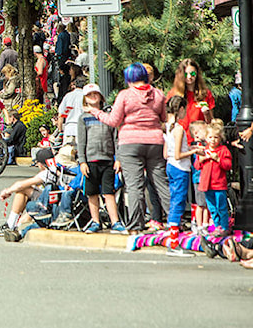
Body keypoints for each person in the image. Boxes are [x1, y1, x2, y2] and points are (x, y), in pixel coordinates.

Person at [85, 62, 169, 233]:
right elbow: (163, 117)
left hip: (130, 143)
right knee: (161, 183)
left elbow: (113, 121)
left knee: (135, 186)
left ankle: (135, 226)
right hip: (154, 141)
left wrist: (96, 113)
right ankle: (175, 221)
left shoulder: (125, 95)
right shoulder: (158, 94)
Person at [76, 84, 125, 235]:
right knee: (92, 194)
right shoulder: (83, 118)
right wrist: (82, 161)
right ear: (85, 99)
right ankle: (95, 221)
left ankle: (115, 221)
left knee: (108, 192)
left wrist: (119, 159)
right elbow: (81, 142)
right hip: (90, 161)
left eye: (95, 94)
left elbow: (116, 139)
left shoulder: (108, 116)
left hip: (108, 160)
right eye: (89, 94)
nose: (93, 96)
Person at [164, 95, 196, 254]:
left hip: (170, 166)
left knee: (174, 200)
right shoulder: (179, 129)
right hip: (180, 168)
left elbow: (166, 153)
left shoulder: (168, 126)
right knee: (178, 202)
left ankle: (173, 238)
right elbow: (178, 154)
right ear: (181, 109)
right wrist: (193, 151)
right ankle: (174, 244)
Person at [197, 119, 232, 234]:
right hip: (207, 185)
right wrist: (202, 160)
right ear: (206, 138)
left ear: (220, 138)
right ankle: (217, 226)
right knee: (212, 208)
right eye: (210, 137)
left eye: (216, 137)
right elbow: (196, 166)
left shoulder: (223, 150)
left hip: (219, 185)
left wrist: (218, 159)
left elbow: (228, 165)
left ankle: (224, 227)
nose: (213, 140)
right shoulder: (204, 150)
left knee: (221, 207)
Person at [168, 58, 215, 131]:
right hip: (180, 137)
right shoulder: (173, 94)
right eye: (186, 74)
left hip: (199, 137)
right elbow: (169, 119)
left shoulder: (206, 94)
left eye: (193, 74)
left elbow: (211, 122)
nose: (189, 77)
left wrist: (206, 114)